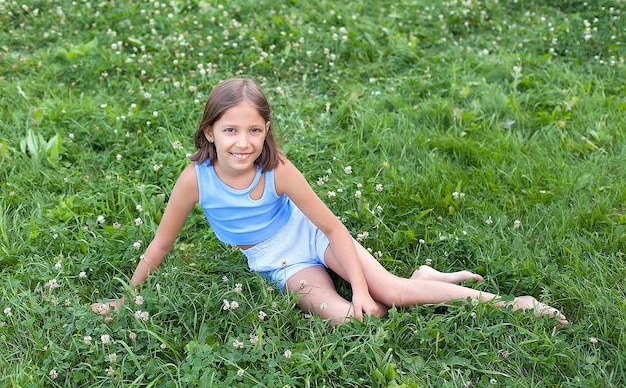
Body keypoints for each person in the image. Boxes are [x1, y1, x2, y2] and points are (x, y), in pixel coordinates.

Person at [92, 77, 567, 325]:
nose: (243, 141)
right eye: (230, 130)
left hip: (313, 237)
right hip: (273, 261)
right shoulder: (195, 180)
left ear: (266, 131)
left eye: (254, 129)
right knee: (361, 320)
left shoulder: (276, 171)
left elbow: (335, 227)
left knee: (387, 295)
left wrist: (361, 287)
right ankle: (421, 278)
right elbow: (159, 246)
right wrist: (125, 298)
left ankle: (511, 305)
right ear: (210, 131)